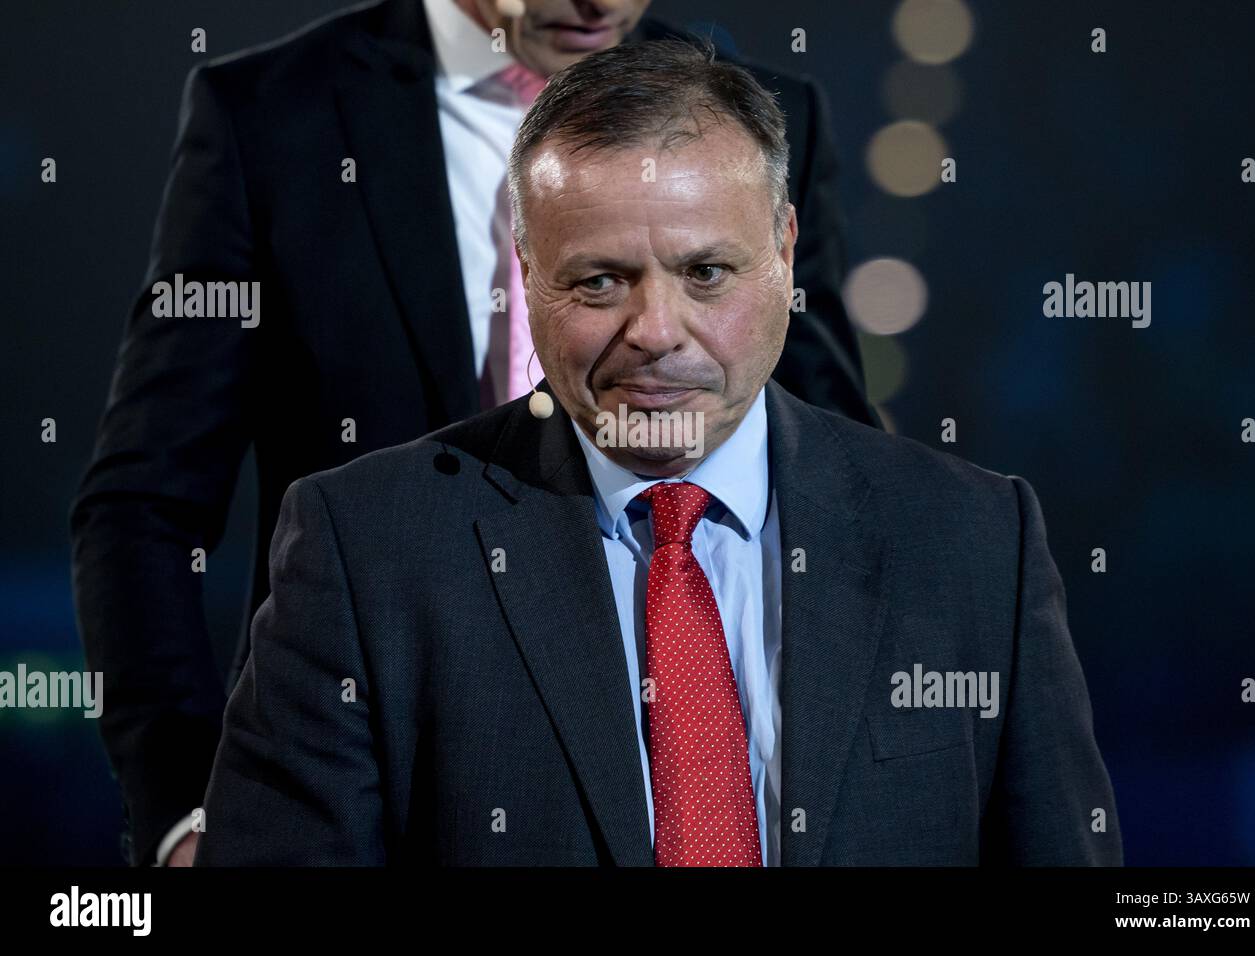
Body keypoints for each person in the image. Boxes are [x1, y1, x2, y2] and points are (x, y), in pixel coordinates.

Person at [195, 39, 1122, 866]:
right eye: (600, 281)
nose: (655, 331)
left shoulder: (972, 541)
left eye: (706, 273)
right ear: (527, 273)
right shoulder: (366, 551)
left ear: (787, 251)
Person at [70, 0, 876, 867]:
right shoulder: (272, 116)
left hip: (697, 733)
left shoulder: (760, 120)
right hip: (359, 767)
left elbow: (840, 473)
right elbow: (143, 507)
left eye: (705, 271)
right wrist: (189, 813)